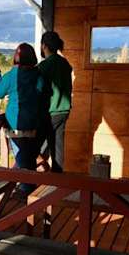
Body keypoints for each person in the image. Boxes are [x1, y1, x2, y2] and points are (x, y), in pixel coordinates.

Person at [0, 43, 47, 195]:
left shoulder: (12, 75)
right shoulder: (38, 75)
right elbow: (42, 93)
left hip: (15, 123)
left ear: (16, 58)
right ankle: (29, 189)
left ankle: (26, 191)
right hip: (34, 123)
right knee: (29, 158)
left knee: (22, 159)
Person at [37, 31, 73, 172]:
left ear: (44, 46)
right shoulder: (65, 63)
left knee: (35, 146)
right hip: (64, 111)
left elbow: (37, 88)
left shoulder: (45, 66)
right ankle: (57, 176)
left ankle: (30, 177)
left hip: (50, 111)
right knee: (57, 145)